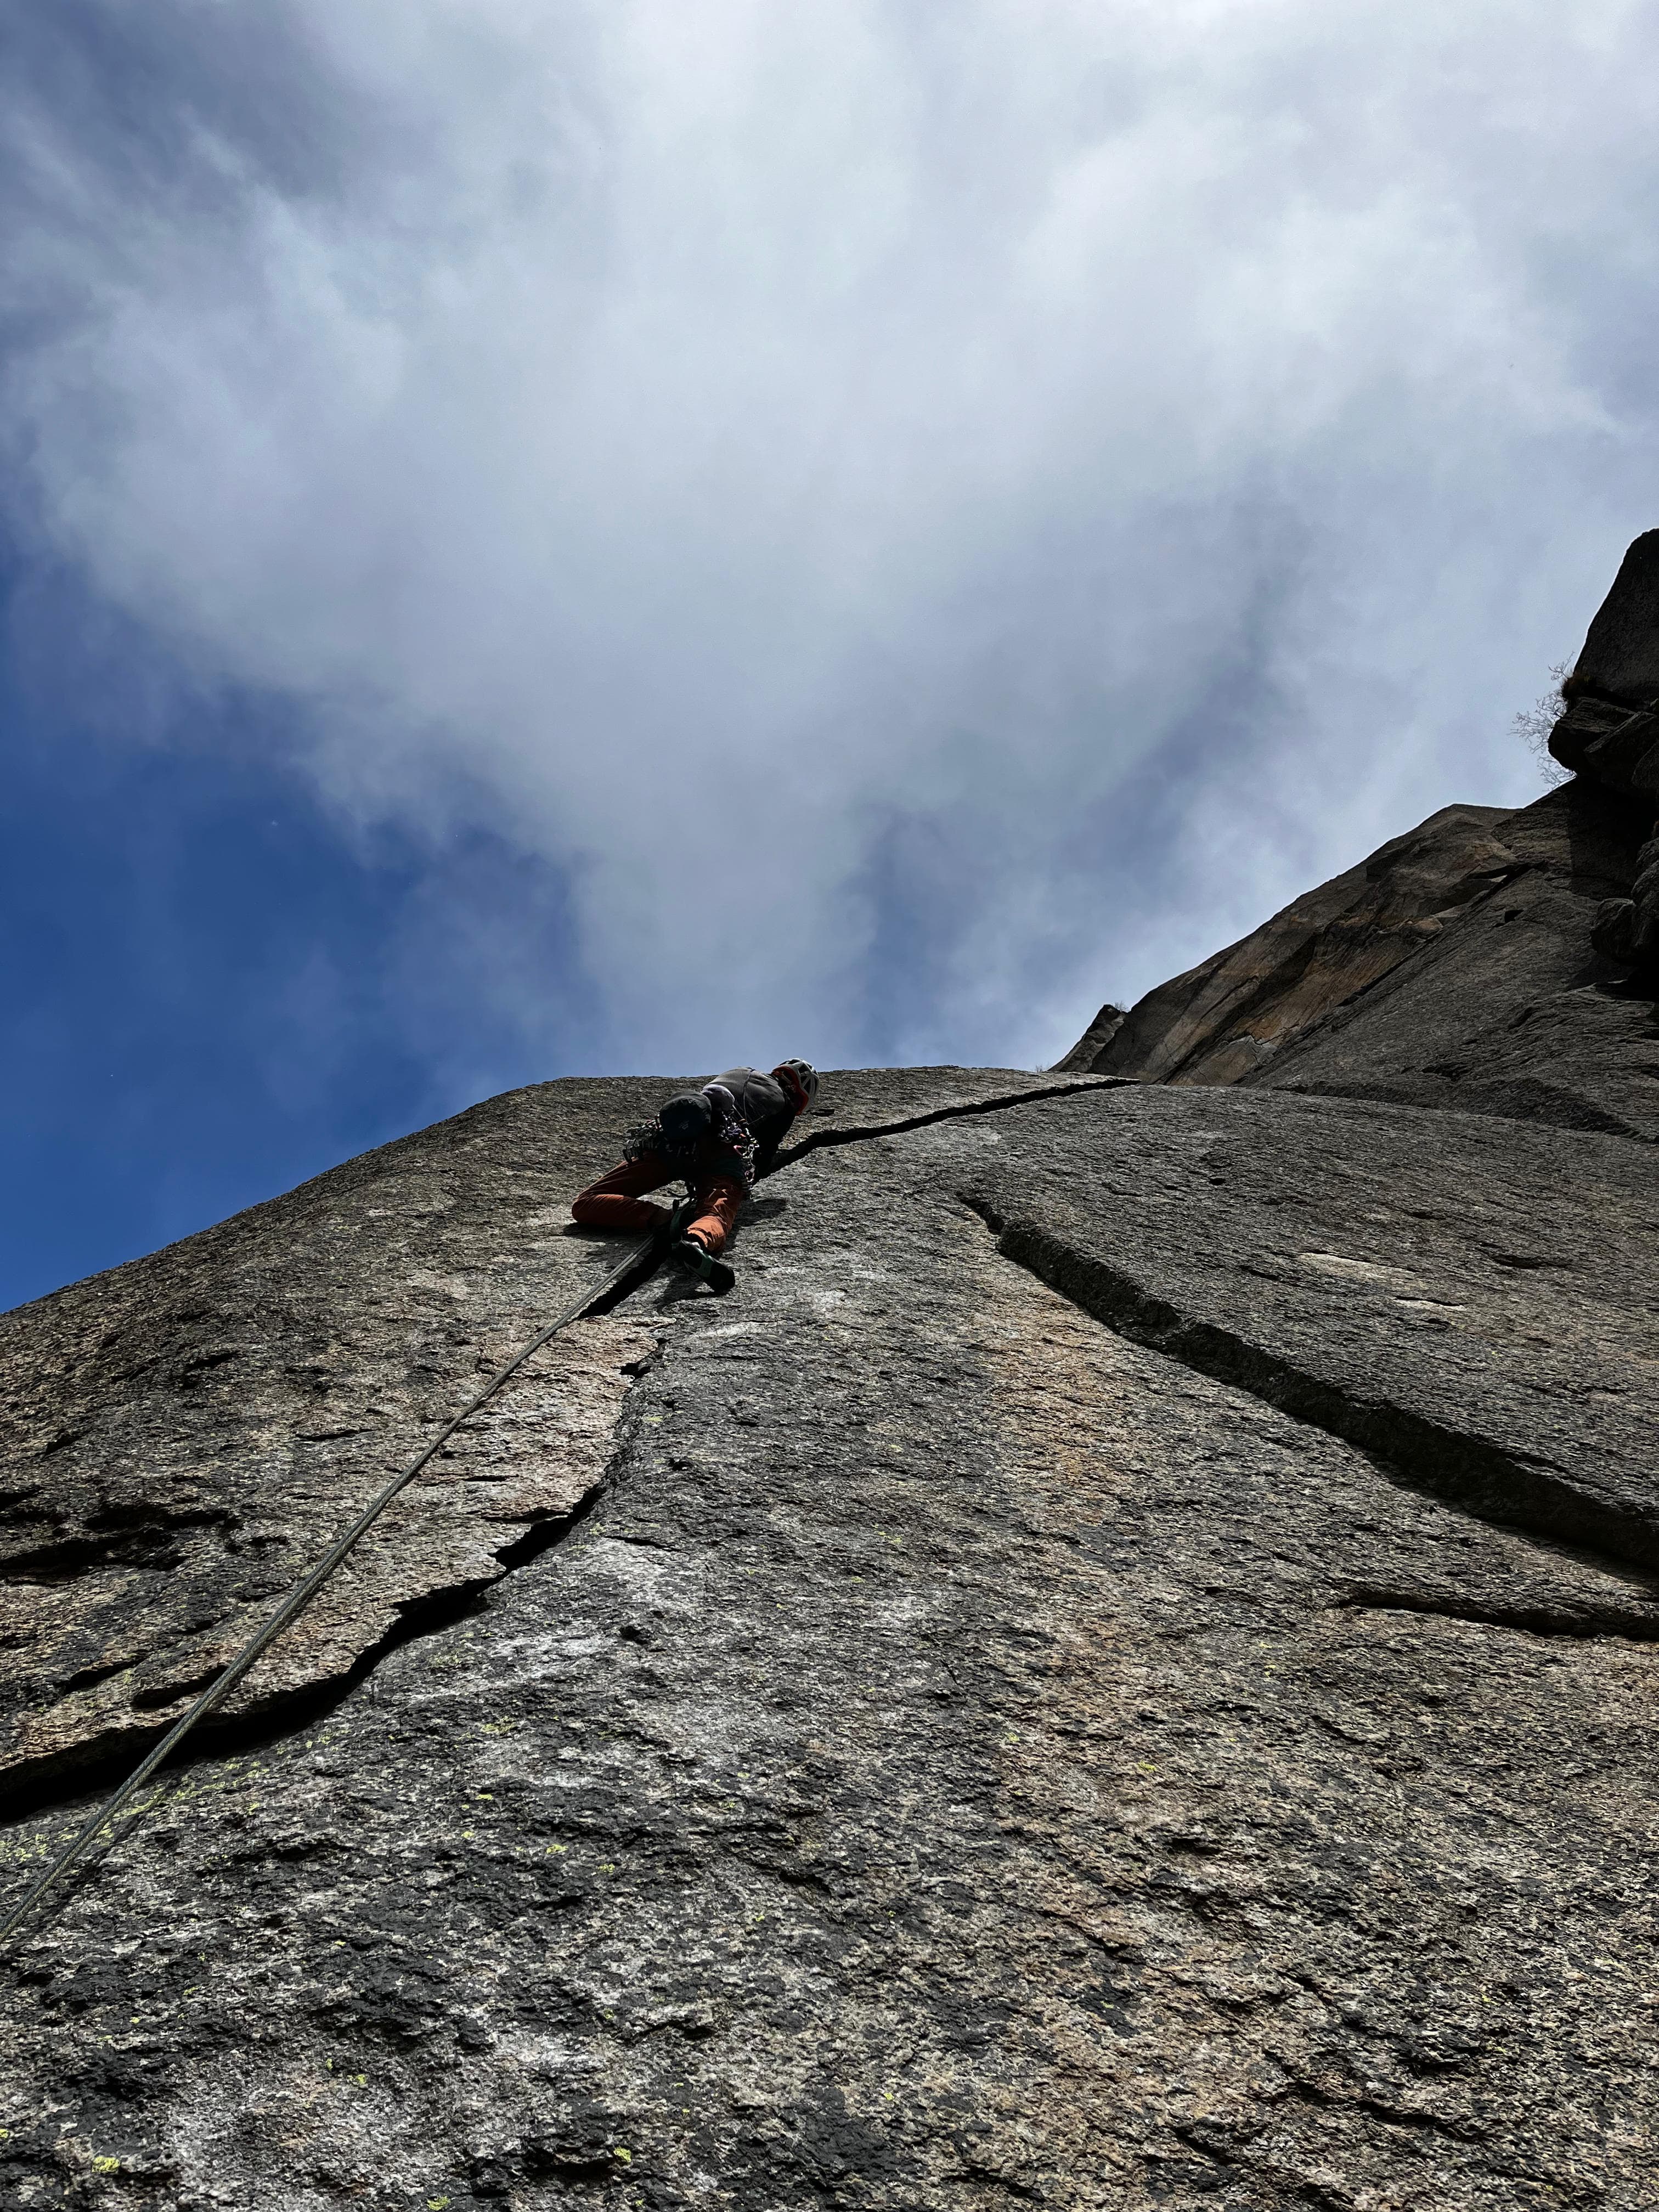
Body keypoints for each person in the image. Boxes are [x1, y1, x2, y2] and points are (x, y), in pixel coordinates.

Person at [571, 1061, 820, 1294]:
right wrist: (739, 1184)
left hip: (671, 1144)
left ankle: (664, 1219)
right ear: (800, 1095)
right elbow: (763, 1158)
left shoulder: (739, 1072)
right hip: (725, 1151)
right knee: (715, 1213)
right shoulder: (783, 1102)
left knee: (587, 1202)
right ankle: (697, 1239)